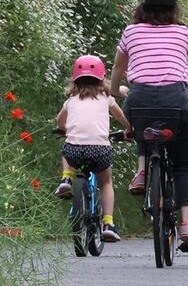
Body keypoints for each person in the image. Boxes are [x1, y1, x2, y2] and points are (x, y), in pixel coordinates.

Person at [110, 0, 188, 254]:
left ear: (142, 6)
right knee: (183, 164)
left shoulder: (131, 32)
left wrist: (115, 90)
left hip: (139, 98)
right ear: (174, 7)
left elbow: (119, 67)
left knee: (143, 126)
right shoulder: (183, 33)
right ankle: (185, 225)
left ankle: (143, 172)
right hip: (176, 100)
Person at [54, 54, 129, 243]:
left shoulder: (71, 100)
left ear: (74, 80)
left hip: (75, 151)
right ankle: (108, 224)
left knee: (68, 146)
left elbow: (59, 120)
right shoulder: (107, 97)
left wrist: (64, 129)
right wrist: (129, 128)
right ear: (102, 78)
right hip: (100, 151)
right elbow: (120, 116)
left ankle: (67, 179)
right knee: (106, 183)